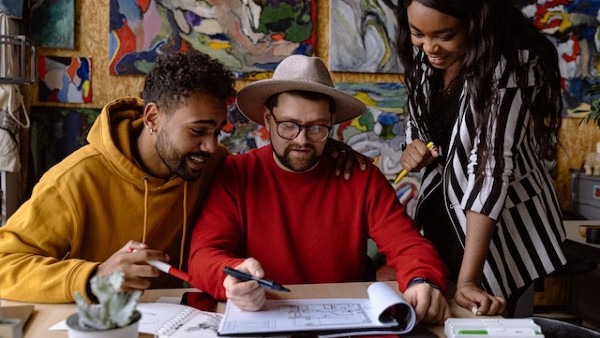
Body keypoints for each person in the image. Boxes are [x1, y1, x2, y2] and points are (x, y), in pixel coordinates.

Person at [188, 55, 451, 324]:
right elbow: (202, 255)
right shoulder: (235, 175)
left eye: (316, 128)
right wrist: (230, 278)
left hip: (343, 323)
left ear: (332, 121)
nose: (302, 140)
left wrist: (422, 279)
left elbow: (407, 244)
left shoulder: (360, 177)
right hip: (260, 319)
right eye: (288, 126)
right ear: (267, 119)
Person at [396, 0, 566, 317]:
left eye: (445, 35)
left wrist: (468, 279)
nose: (429, 46)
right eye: (417, 33)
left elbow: (490, 170)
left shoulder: (510, 66)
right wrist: (414, 146)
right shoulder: (427, 56)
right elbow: (424, 124)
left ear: (477, 23)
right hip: (443, 215)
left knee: (481, 322)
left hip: (497, 231)